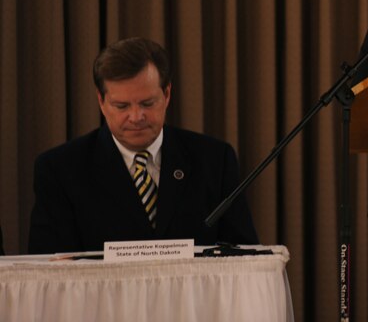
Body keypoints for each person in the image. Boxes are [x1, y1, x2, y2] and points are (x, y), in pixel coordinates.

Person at [28, 37, 258, 254]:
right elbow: (47, 270)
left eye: (147, 103)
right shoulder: (60, 169)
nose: (136, 116)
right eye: (121, 106)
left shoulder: (214, 160)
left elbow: (244, 256)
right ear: (101, 101)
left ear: (167, 94)